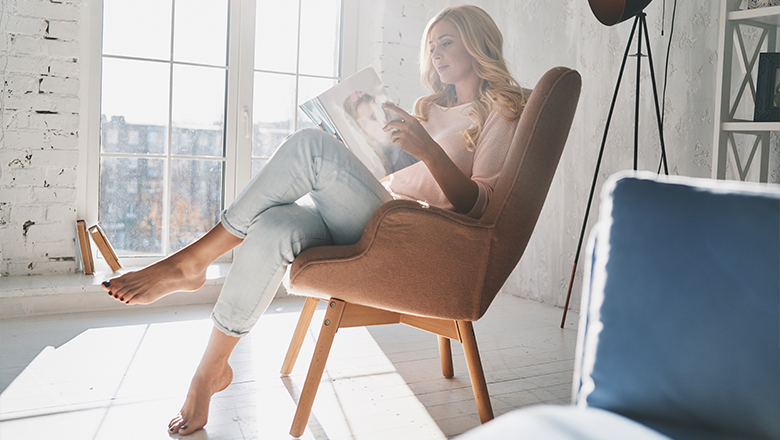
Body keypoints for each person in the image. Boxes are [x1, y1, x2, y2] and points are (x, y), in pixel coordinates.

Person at [101, 4, 526, 435]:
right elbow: (391, 173)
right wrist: (354, 146)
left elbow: (479, 207)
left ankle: (192, 262)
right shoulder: (428, 109)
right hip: (376, 210)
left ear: (477, 44)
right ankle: (210, 371)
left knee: (308, 147)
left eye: (446, 42)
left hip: (416, 233)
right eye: (431, 46)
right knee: (274, 225)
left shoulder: (500, 112)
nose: (435, 54)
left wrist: (428, 151)